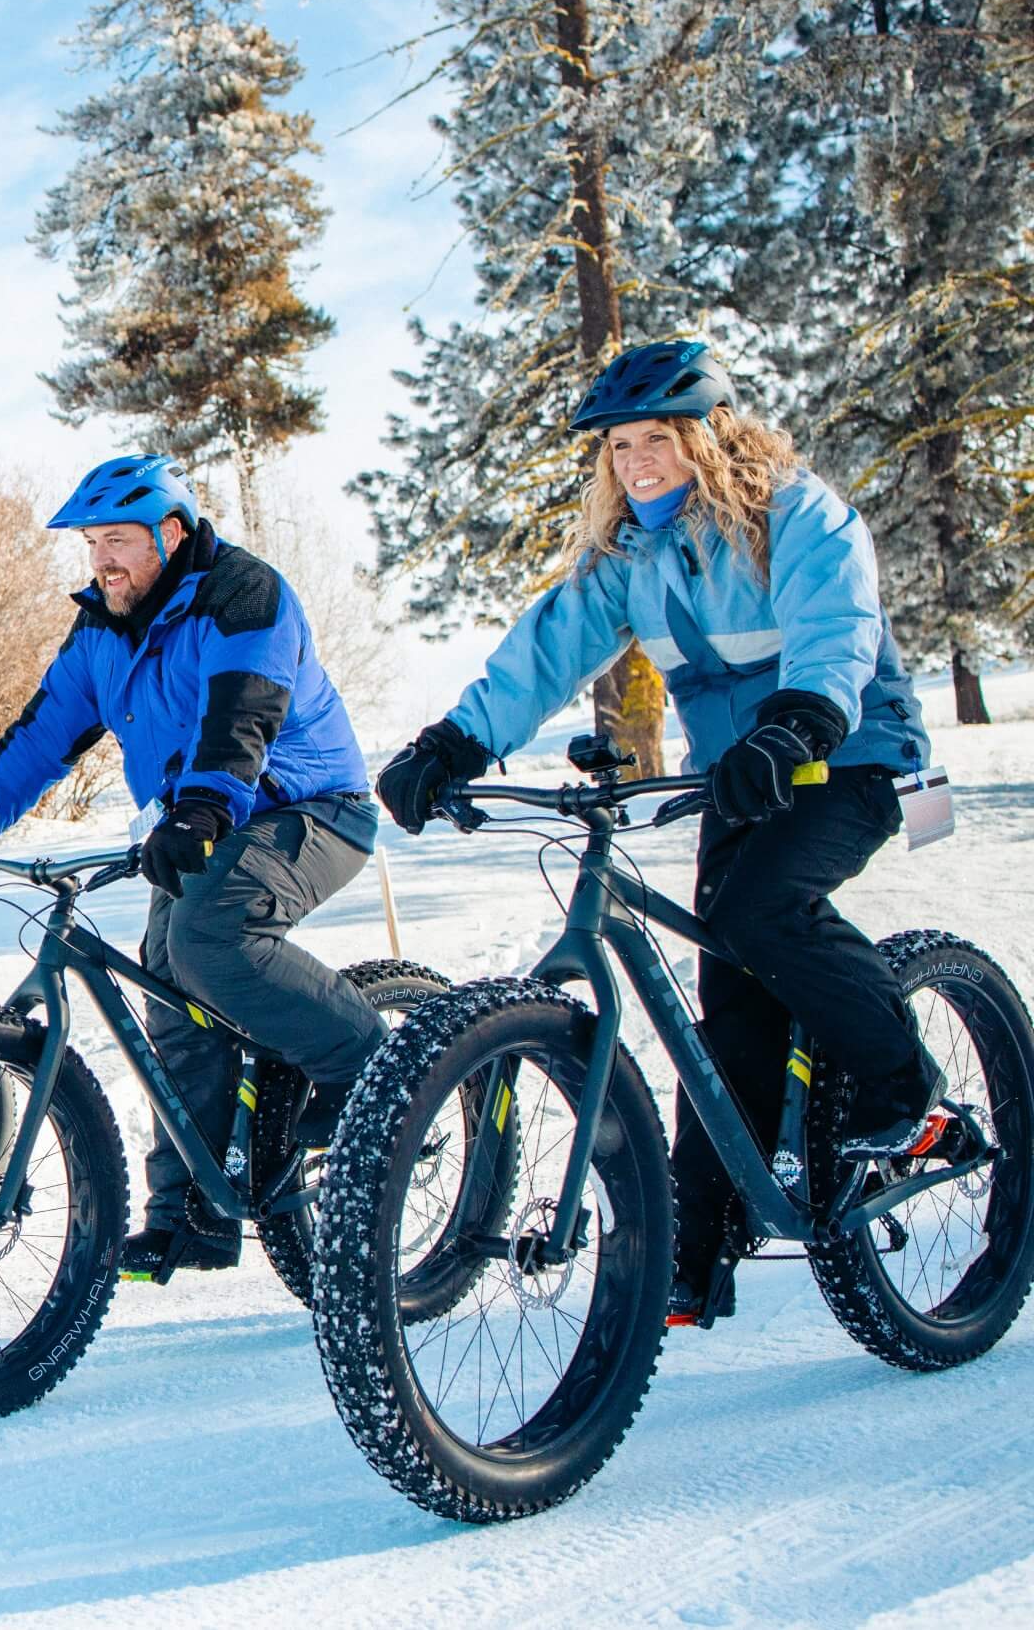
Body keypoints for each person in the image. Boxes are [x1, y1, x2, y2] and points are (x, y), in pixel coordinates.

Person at [376, 339, 944, 1329]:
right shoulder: (627, 559)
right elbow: (545, 650)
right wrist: (453, 743)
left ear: (705, 435)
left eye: (657, 438)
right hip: (743, 778)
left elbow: (833, 626)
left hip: (843, 753)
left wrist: (801, 719)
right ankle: (700, 1241)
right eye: (619, 444)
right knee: (723, 1001)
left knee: (764, 915)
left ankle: (908, 1090)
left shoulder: (794, 513)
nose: (636, 459)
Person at [0, 455, 382, 1281]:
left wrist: (199, 809)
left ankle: (365, 1064)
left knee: (207, 938)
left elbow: (243, 719)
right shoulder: (103, 627)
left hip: (307, 805)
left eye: (116, 540)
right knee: (168, 990)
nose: (101, 561)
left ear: (173, 530)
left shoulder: (243, 595)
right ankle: (194, 1213)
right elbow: (42, 734)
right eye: (92, 544)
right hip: (200, 826)